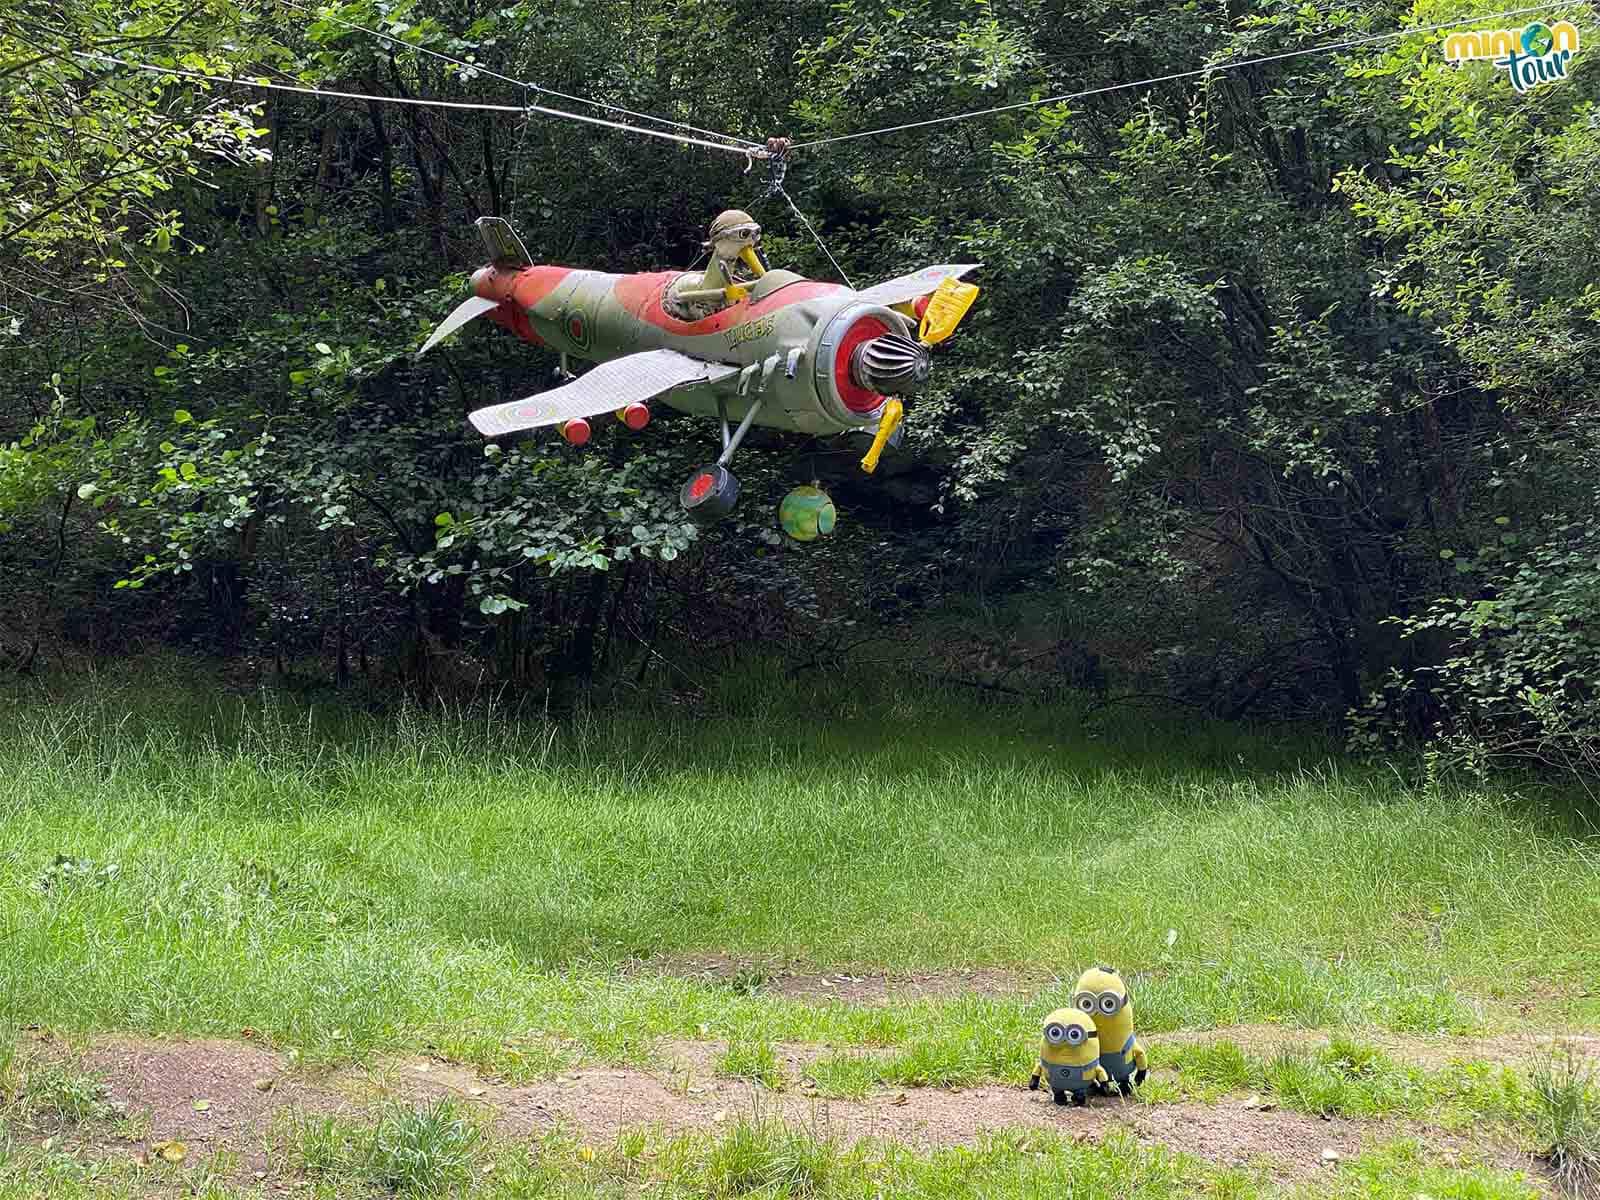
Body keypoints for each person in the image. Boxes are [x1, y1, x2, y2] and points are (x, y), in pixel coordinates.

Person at [663, 208, 769, 322]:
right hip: (696, 297)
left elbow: (765, 280)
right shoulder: (725, 256)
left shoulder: (744, 251)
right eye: (744, 234)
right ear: (721, 238)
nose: (752, 239)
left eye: (756, 233)